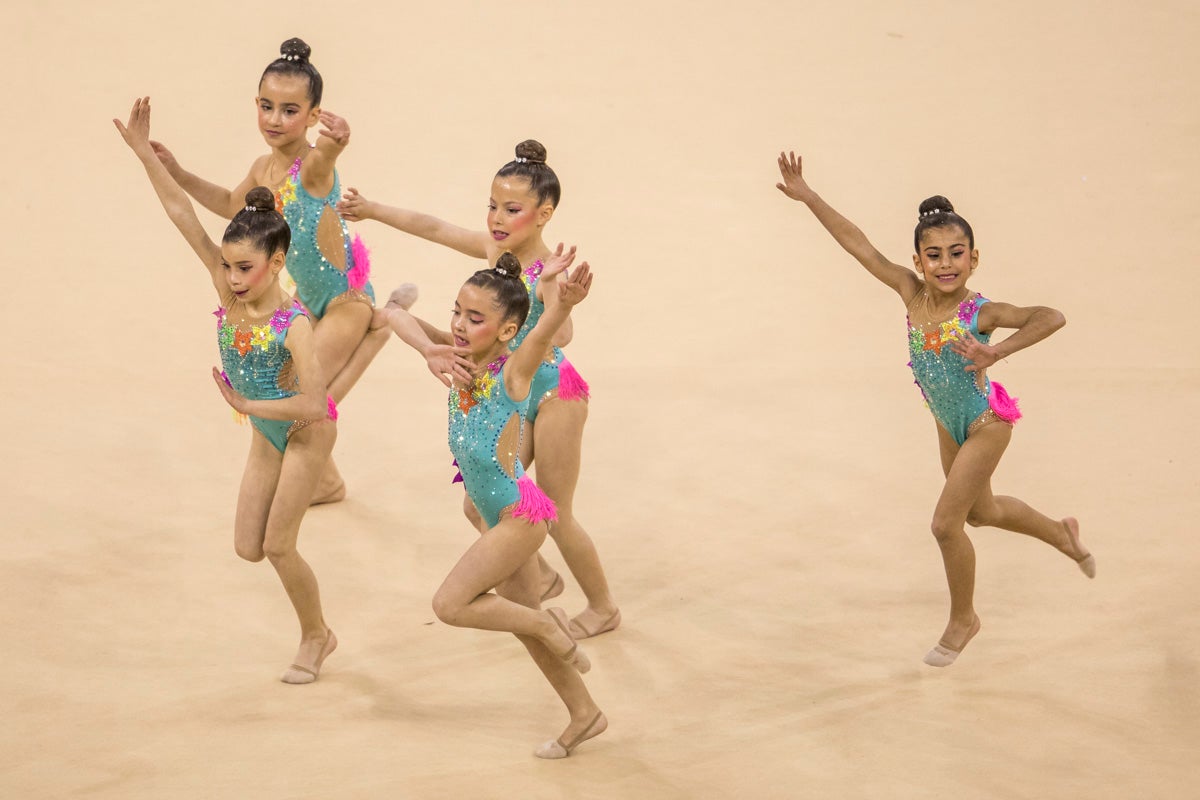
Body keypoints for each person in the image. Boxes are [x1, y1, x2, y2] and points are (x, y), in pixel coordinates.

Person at [775, 151, 1094, 667]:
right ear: (919, 260)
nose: (946, 264)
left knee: (946, 525)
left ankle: (964, 618)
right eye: (934, 255)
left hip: (986, 423)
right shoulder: (910, 293)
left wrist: (996, 351)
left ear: (974, 258)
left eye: (956, 253)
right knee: (983, 513)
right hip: (948, 424)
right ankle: (1062, 533)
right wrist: (809, 196)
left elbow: (1050, 316)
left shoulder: (981, 312)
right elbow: (859, 245)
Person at [338, 141, 620, 639]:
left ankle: (603, 606)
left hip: (553, 395)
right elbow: (435, 228)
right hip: (508, 393)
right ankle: (538, 573)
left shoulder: (547, 269)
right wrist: (373, 209)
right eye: (492, 205)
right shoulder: (496, 251)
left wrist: (553, 296)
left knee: (555, 512)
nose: (496, 218)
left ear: (544, 214)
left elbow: (562, 336)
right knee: (478, 501)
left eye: (512, 209)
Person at [116, 97, 338, 684]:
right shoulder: (226, 286)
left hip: (304, 432)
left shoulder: (294, 325)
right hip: (267, 428)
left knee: (279, 546)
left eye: (245, 269)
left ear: (277, 262)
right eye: (229, 266)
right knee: (248, 547)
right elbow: (181, 213)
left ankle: (317, 635)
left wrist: (246, 405)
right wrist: (145, 155)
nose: (233, 279)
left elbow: (317, 404)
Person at [381, 250, 607, 758]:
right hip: (497, 512)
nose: (459, 325)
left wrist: (562, 304)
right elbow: (394, 317)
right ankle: (585, 712)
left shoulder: (513, 373)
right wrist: (427, 348)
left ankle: (547, 622)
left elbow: (541, 334)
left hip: (518, 517)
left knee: (450, 605)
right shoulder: (459, 359)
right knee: (521, 620)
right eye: (456, 312)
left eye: (475, 318)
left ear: (507, 331)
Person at [150, 37, 384, 504]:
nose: (275, 119)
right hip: (304, 303)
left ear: (313, 116)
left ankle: (377, 335)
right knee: (283, 383)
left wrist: (337, 143)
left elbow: (325, 158)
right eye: (266, 106)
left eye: (290, 110)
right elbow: (228, 204)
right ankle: (327, 481)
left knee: (295, 389)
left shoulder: (312, 167)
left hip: (345, 302)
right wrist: (177, 171)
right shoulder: (263, 168)